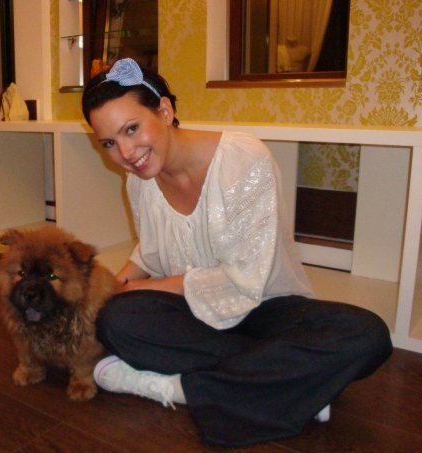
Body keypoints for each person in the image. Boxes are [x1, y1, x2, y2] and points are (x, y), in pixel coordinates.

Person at [81, 58, 392, 448]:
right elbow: (152, 252)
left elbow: (245, 280)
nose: (126, 152)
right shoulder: (139, 182)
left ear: (165, 111)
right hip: (196, 313)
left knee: (367, 334)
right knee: (116, 319)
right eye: (109, 143)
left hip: (264, 307)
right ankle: (294, 382)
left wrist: (141, 289)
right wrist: (111, 289)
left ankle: (174, 388)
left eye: (131, 129)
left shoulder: (243, 158)